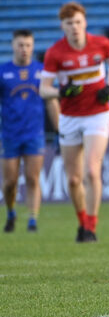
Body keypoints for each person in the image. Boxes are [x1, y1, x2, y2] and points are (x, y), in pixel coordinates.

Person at [39, 2, 109, 242]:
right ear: (62, 26)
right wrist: (61, 92)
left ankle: (91, 228)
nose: (74, 27)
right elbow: (44, 89)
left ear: (84, 22)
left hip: (98, 114)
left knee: (91, 171)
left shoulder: (101, 44)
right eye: (69, 23)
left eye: (77, 22)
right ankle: (82, 221)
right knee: (74, 179)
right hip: (69, 118)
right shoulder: (55, 53)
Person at [1, 30, 59, 232]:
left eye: (27, 45)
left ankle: (33, 219)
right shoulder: (3, 71)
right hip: (9, 134)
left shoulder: (42, 71)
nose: (24, 49)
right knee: (10, 182)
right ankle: (11, 212)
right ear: (13, 46)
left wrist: (60, 130)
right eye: (20, 45)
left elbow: (52, 102)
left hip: (34, 133)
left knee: (33, 178)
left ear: (32, 47)